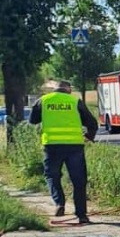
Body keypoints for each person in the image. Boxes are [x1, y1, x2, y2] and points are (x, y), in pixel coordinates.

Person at [30, 80, 98, 223]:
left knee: (52, 176)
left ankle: (59, 203)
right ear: (69, 90)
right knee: (78, 181)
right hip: (74, 147)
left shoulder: (43, 101)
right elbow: (92, 123)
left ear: (54, 90)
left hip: (52, 146)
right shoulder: (75, 101)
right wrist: (89, 136)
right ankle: (82, 215)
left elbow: (33, 120)